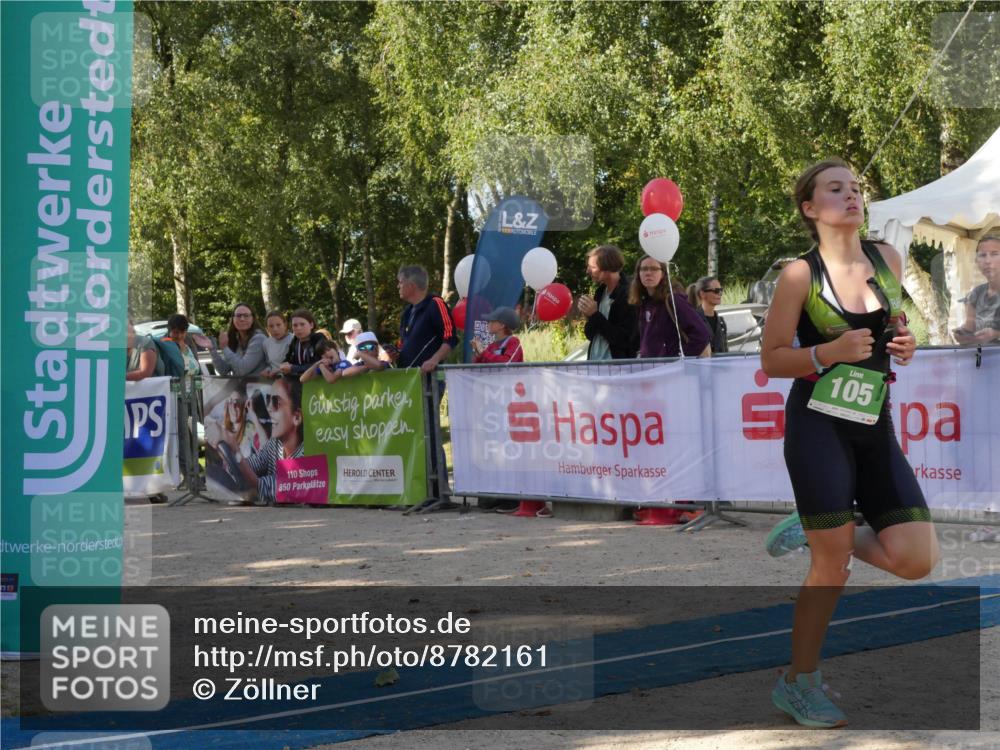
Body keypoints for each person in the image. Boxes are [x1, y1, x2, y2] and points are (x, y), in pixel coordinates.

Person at [761, 158, 937, 728]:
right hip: (817, 427)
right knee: (830, 568)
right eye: (835, 189)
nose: (851, 196)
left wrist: (906, 344)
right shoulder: (798, 276)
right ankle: (799, 683)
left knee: (916, 559)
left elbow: (897, 325)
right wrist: (825, 353)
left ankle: (818, 527)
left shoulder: (885, 257)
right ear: (811, 208)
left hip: (873, 425)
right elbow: (771, 359)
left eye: (856, 188)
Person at [226, 376, 304, 506]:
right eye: (268, 400)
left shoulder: (306, 453)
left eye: (276, 402)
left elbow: (279, 484)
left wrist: (236, 454)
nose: (269, 407)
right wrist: (234, 464)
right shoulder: (275, 444)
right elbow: (255, 463)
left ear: (296, 417)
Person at [629, 255, 711, 358]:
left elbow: (701, 334)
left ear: (663, 274)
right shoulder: (644, 302)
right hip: (652, 369)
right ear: (638, 273)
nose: (648, 273)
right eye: (644, 269)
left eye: (654, 269)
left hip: (671, 370)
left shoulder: (674, 300)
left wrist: (680, 359)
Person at [578, 245, 638, 360]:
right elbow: (591, 335)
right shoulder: (600, 292)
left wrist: (595, 315)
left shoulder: (629, 293)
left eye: (592, 267)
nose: (587, 271)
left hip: (617, 369)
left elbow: (625, 339)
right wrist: (589, 316)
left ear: (607, 268)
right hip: (595, 364)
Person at [397, 265, 458, 372]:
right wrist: (395, 353)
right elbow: (405, 345)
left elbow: (450, 338)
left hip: (429, 380)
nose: (398, 286)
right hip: (407, 381)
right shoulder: (407, 312)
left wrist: (434, 360)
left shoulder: (435, 304)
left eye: (401, 282)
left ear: (411, 285)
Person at [953, 235, 1000, 346]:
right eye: (982, 255)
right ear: (976, 261)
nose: (987, 261)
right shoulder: (977, 293)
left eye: (994, 254)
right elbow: (970, 326)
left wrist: (995, 334)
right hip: (981, 359)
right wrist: (962, 334)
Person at [201, 303, 268, 377]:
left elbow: (242, 370)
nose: (242, 319)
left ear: (253, 319)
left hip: (259, 387)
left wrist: (225, 348)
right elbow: (223, 370)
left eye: (246, 315)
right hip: (241, 387)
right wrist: (212, 349)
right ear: (233, 319)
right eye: (238, 316)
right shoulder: (235, 339)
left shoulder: (259, 338)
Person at [280, 309, 330, 378]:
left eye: (302, 324)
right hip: (299, 382)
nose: (298, 328)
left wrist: (293, 368)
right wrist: (282, 366)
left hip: (320, 382)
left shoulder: (319, 338)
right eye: (295, 325)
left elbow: (322, 363)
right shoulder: (295, 341)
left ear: (311, 325)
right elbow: (287, 360)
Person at [689, 276, 729, 353]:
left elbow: (725, 350)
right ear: (702, 294)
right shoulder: (693, 320)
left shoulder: (721, 322)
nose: (720, 294)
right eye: (716, 291)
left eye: (721, 290)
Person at [262, 311, 293, 378]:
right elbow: (270, 363)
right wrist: (267, 370)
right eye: (271, 326)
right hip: (274, 381)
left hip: (293, 379)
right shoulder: (266, 343)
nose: (275, 329)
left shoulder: (294, 340)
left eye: (278, 325)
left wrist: (278, 371)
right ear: (267, 328)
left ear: (285, 325)